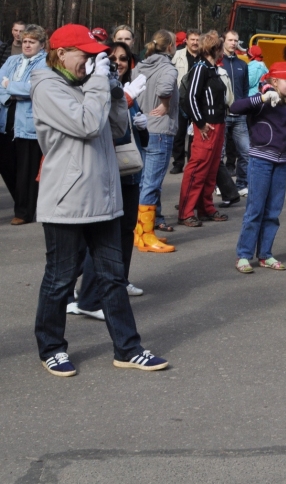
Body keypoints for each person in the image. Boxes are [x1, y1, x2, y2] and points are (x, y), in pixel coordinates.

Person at [31, 24, 168, 377]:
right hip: (67, 200)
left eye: (97, 56)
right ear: (61, 54)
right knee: (60, 280)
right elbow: (87, 124)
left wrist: (113, 89)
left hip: (103, 196)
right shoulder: (46, 85)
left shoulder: (88, 84)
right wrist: (97, 83)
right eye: (86, 55)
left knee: (112, 279)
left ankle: (128, 348)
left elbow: (118, 127)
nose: (93, 61)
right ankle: (51, 348)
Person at [70, 41, 150, 314]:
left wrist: (142, 124)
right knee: (103, 237)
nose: (118, 62)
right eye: (113, 58)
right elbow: (98, 126)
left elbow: (135, 134)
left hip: (131, 168)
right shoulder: (93, 85)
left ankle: (120, 280)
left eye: (124, 59)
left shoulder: (130, 88)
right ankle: (87, 296)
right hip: (106, 170)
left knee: (127, 230)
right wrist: (122, 100)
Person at [230, 62, 286, 273]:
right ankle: (243, 255)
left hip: (281, 165)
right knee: (255, 210)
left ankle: (265, 254)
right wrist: (262, 97)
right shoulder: (263, 102)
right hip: (260, 162)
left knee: (272, 212)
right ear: (273, 81)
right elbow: (235, 107)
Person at [132, 30, 179, 249]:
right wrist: (165, 105)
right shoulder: (167, 67)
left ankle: (141, 231)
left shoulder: (140, 66)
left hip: (143, 128)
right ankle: (145, 234)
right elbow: (165, 88)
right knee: (152, 183)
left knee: (145, 182)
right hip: (160, 130)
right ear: (170, 46)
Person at [178, 32, 230, 227]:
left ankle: (205, 207)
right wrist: (199, 122)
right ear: (215, 49)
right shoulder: (201, 68)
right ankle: (186, 211)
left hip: (217, 124)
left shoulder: (211, 68)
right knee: (197, 169)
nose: (223, 51)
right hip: (206, 126)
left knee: (211, 169)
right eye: (221, 47)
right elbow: (190, 97)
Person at [0, 24, 47, 224]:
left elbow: (35, 88)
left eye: (32, 42)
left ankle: (24, 212)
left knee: (26, 169)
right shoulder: (12, 60)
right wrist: (11, 93)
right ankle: (22, 202)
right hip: (5, 119)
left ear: (41, 44)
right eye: (25, 41)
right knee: (7, 164)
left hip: (28, 123)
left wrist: (9, 86)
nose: (27, 45)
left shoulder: (45, 63)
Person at [221, 31, 251, 195]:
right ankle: (222, 186)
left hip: (240, 115)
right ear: (223, 41)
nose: (233, 43)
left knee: (245, 152)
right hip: (223, 114)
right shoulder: (218, 64)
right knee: (220, 155)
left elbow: (245, 89)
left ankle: (242, 185)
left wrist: (244, 107)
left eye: (236, 40)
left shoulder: (243, 65)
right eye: (230, 40)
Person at [170, 30, 201, 173]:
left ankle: (192, 163)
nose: (195, 42)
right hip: (180, 100)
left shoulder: (204, 57)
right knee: (179, 133)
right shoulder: (177, 56)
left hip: (197, 100)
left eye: (197, 40)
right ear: (186, 41)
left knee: (195, 134)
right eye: (192, 39)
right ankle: (178, 163)